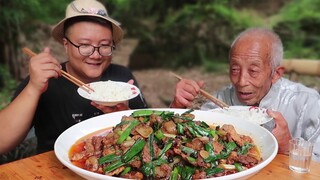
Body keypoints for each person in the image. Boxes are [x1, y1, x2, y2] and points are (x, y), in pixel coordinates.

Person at [3, 0, 147, 155]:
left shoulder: (122, 79)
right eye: (85, 45)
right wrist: (33, 87)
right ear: (66, 45)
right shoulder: (45, 81)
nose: (96, 55)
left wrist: (124, 116)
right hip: (53, 168)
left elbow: (149, 137)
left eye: (104, 45)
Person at [170, 27, 320, 162]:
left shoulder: (307, 102)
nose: (241, 82)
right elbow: (185, 140)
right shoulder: (221, 100)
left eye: (253, 71)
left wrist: (289, 148)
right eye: (235, 69)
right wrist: (178, 107)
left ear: (276, 74)